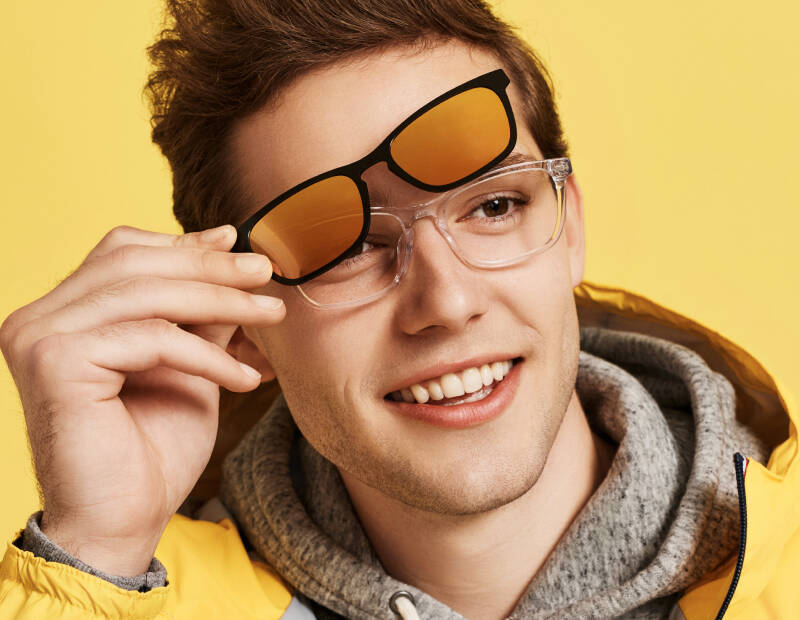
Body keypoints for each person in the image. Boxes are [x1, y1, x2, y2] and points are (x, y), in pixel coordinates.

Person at [0, 1, 796, 618]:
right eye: (343, 247)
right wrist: (94, 555)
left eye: (492, 207)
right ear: (240, 321)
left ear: (570, 226)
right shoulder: (121, 592)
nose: (447, 302)